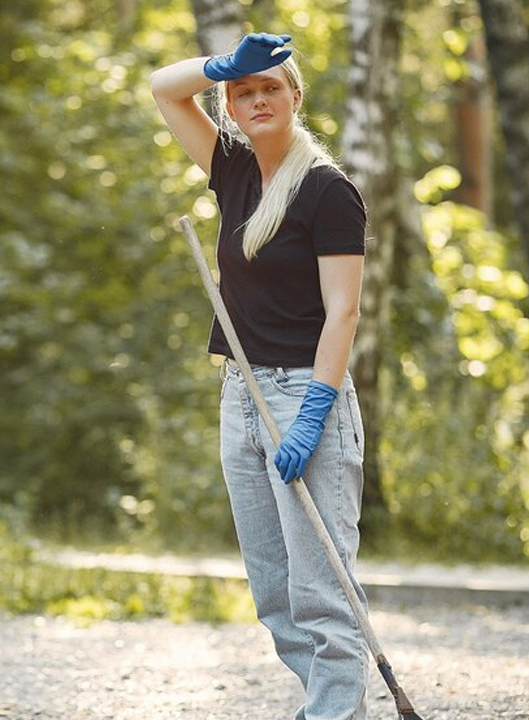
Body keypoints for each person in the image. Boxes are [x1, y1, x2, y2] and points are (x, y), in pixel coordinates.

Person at [151, 34, 370, 720]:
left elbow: (345, 310)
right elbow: (164, 86)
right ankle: (333, 708)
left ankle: (334, 712)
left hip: (307, 392)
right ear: (231, 108)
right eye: (244, 92)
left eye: (271, 86)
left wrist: (314, 411)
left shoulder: (329, 191)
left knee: (321, 591)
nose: (258, 99)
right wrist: (222, 66)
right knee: (275, 594)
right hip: (240, 394)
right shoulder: (234, 168)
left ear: (296, 97)